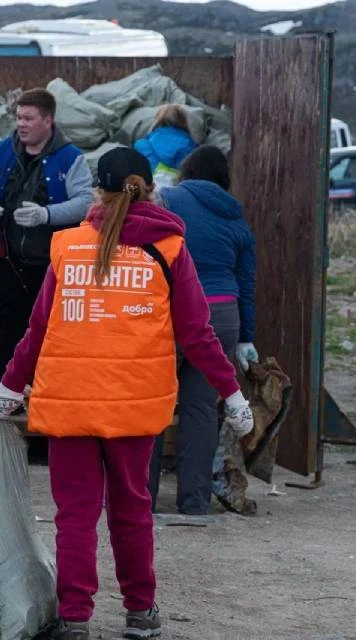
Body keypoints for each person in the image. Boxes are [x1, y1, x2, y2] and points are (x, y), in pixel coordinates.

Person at [0, 147, 254, 640]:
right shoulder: (170, 249)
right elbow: (198, 334)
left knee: (75, 516)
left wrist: (10, 384)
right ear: (149, 189)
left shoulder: (67, 246)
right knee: (132, 510)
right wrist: (233, 394)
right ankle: (139, 614)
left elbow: (39, 327)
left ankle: (74, 618)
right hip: (135, 407)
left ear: (98, 192)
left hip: (68, 402)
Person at [148, 145, 258, 519]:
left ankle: (140, 498)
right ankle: (194, 502)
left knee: (153, 404)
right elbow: (246, 283)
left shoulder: (168, 199)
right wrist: (246, 338)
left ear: (187, 170)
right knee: (200, 411)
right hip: (224, 315)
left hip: (173, 310)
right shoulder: (237, 218)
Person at [0, 88, 93, 410]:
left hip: (54, 263)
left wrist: (47, 215)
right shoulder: (1, 151)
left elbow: (85, 202)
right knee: (8, 325)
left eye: (28, 118)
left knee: (52, 328)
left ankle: (47, 392)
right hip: (11, 258)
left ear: (48, 120)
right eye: (18, 117)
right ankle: (8, 390)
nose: (20, 124)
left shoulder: (71, 158)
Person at [133, 104, 199, 188]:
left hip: (148, 194)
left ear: (157, 121)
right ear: (184, 122)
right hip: (178, 194)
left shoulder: (141, 145)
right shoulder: (194, 149)